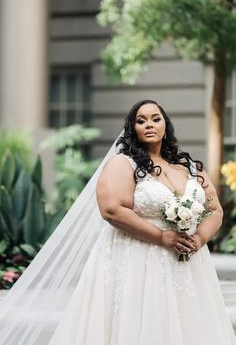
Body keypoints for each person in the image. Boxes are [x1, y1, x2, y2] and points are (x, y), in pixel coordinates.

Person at [0, 99, 235, 345]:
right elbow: (112, 210)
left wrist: (198, 239)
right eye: (140, 120)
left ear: (166, 125)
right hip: (138, 259)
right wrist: (162, 236)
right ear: (132, 128)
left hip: (188, 263)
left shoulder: (190, 168)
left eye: (156, 118)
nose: (149, 124)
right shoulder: (122, 164)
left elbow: (215, 210)